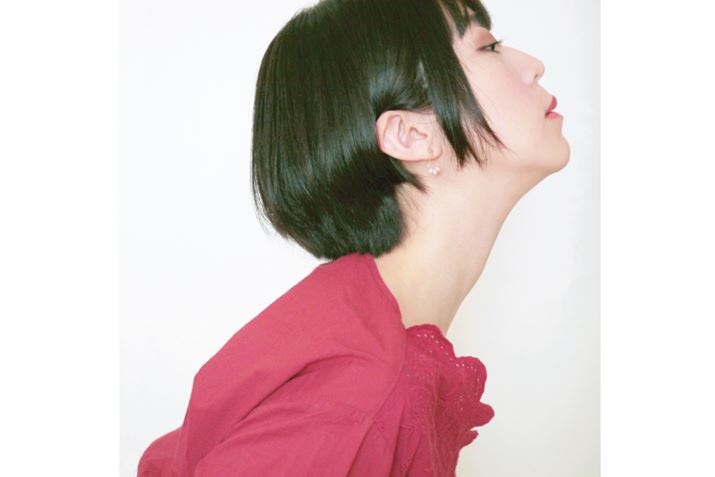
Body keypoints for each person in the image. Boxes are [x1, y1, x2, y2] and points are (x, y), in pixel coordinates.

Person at [138, 0, 569, 475]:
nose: (533, 65)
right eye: (489, 47)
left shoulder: (359, 338)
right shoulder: (357, 394)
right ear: (410, 135)